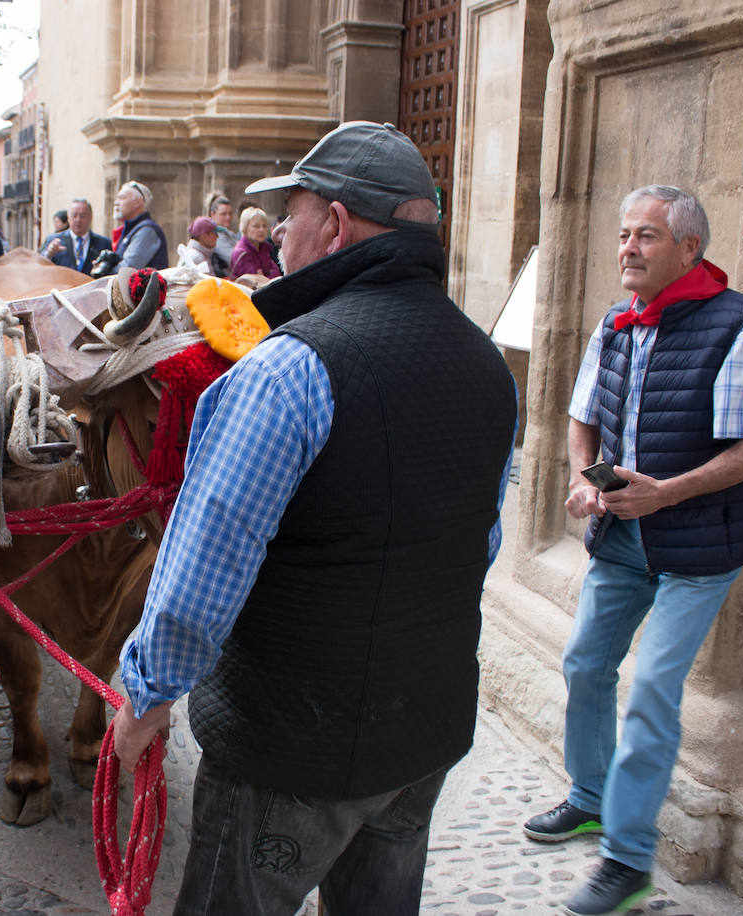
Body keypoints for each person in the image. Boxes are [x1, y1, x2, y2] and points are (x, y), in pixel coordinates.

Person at [112, 121, 517, 915]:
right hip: (423, 727)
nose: (279, 233)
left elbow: (207, 561)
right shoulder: (486, 362)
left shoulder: (288, 367)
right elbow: (482, 537)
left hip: (291, 741)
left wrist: (145, 696)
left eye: (290, 213)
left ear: (334, 224)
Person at [522, 185, 743, 916]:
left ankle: (628, 861)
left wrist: (666, 493)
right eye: (623, 234)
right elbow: (582, 418)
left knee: (653, 697)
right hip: (622, 537)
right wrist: (585, 478)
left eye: (645, 236)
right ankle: (590, 798)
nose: (627, 249)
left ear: (689, 249)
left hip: (699, 547)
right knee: (585, 664)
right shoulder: (616, 322)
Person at [41, 198, 111, 274]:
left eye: (83, 216)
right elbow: (40, 267)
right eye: (74, 215)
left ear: (90, 217)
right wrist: (49, 254)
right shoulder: (53, 240)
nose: (78, 220)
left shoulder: (104, 243)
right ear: (68, 218)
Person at [112, 180, 168, 270]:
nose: (116, 202)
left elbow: (127, 270)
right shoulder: (131, 229)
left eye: (122, 198)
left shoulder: (147, 230)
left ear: (137, 203)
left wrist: (106, 270)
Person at [228, 205, 282, 283]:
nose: (261, 229)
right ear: (245, 228)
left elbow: (277, 274)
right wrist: (267, 277)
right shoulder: (241, 252)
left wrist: (264, 277)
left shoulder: (264, 248)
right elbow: (256, 285)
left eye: (264, 226)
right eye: (256, 226)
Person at [206, 192, 239, 269]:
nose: (228, 217)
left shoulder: (230, 233)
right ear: (212, 214)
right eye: (223, 214)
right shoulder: (213, 236)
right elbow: (235, 259)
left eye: (230, 214)